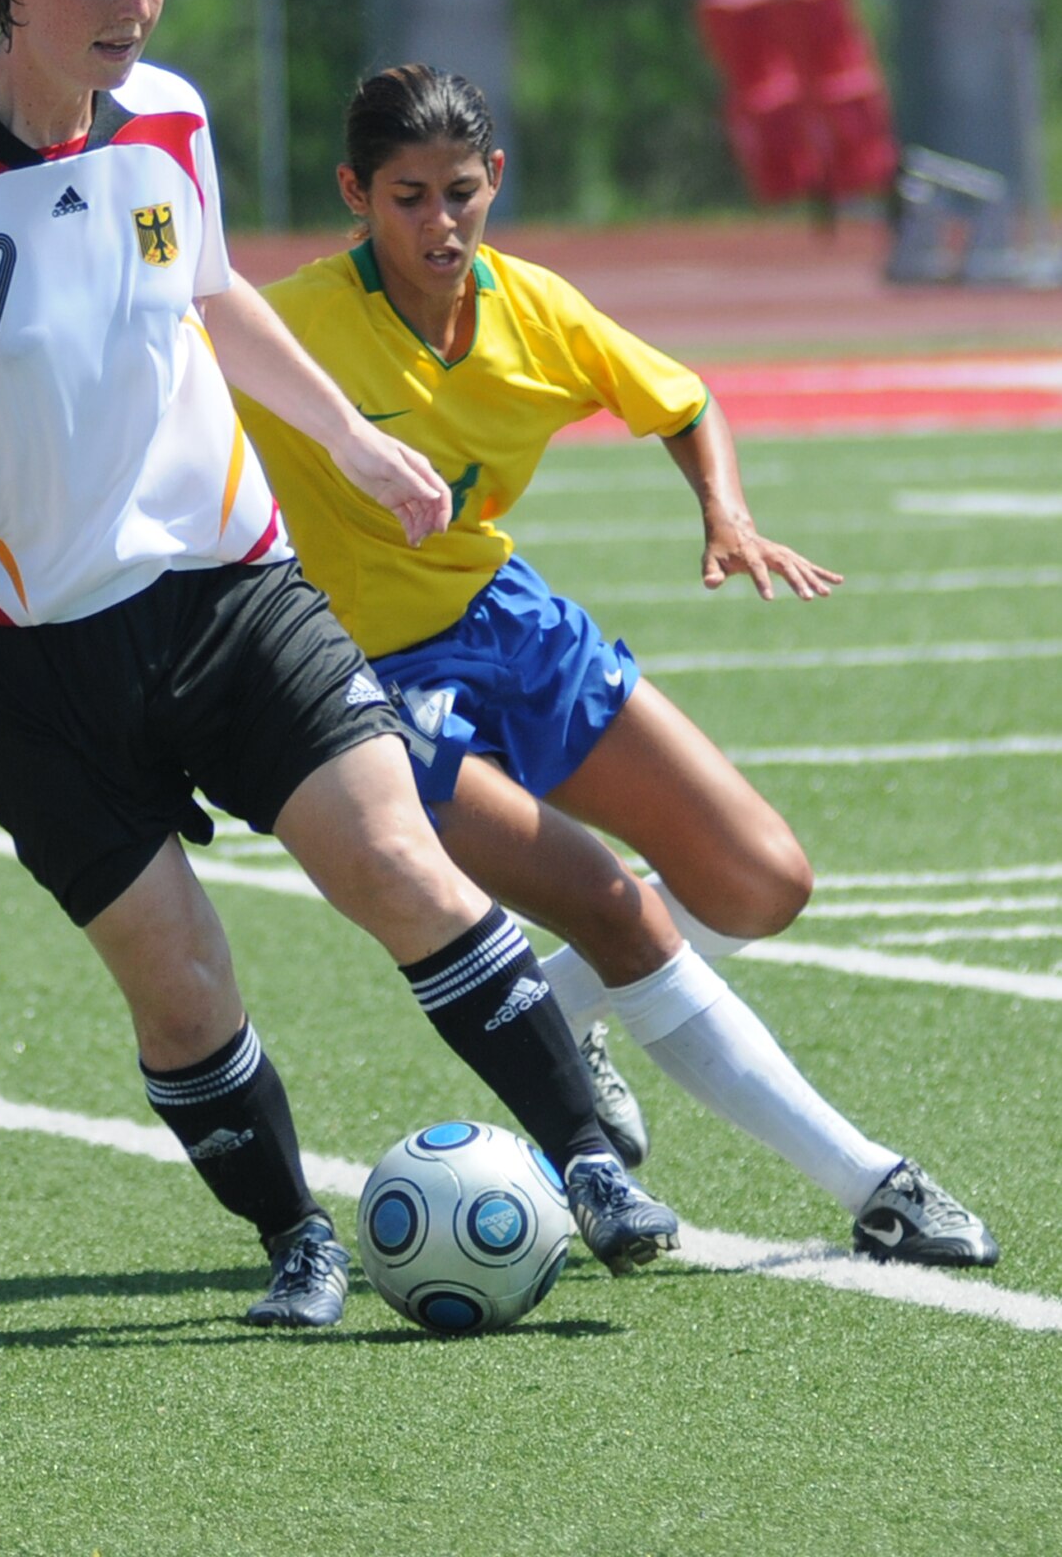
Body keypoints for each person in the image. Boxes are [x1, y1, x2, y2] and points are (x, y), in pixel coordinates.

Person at [0, 0, 684, 1335]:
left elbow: (212, 289)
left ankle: (592, 1168)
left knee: (398, 868)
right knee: (179, 977)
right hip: (23, 654)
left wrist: (349, 443)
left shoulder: (168, 119)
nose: (137, 5)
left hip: (230, 593)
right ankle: (296, 1235)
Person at [233, 61, 998, 1269]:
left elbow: (686, 403)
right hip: (364, 681)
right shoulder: (292, 325)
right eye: (408, 196)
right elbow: (162, 408)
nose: (440, 223)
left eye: (461, 191)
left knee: (760, 879)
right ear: (355, 195)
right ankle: (875, 1184)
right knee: (616, 903)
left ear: (497, 182)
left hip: (508, 621)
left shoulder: (536, 307)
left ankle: (559, 1012)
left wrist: (725, 511)